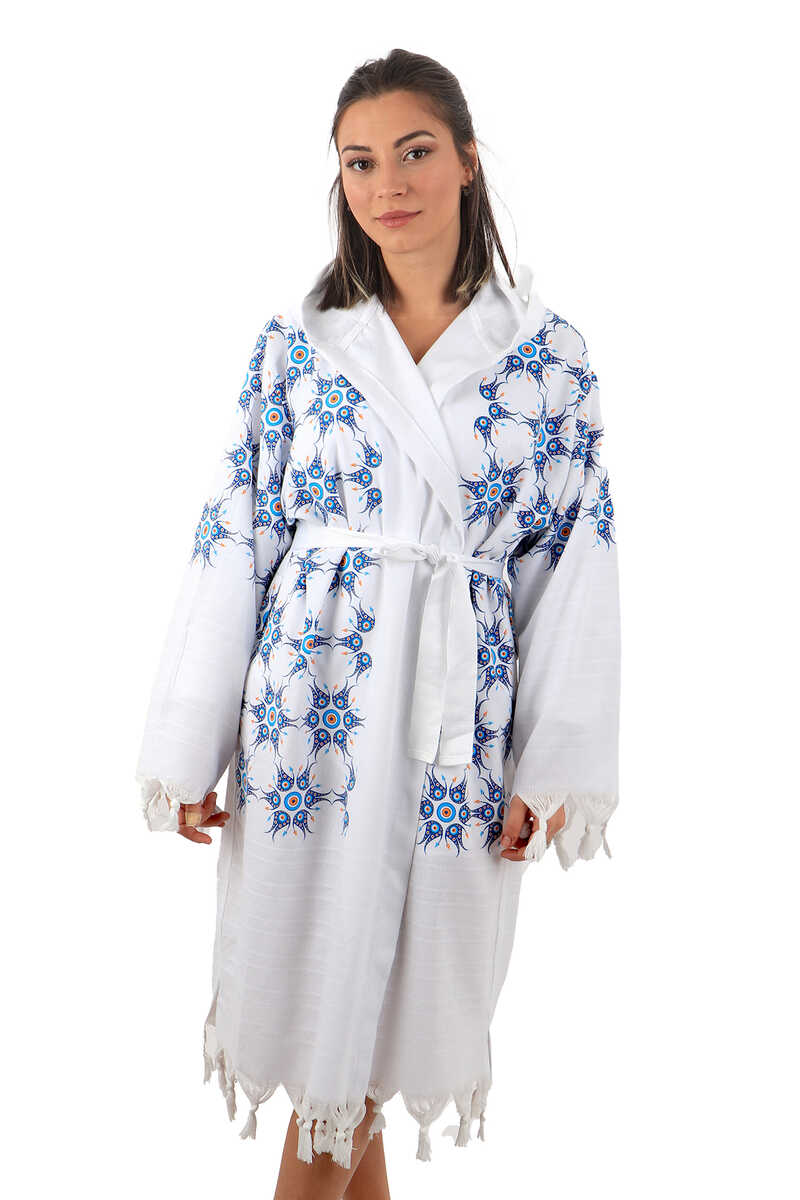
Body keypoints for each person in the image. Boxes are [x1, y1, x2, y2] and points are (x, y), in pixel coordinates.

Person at [135, 48, 621, 1200]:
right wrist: (188, 745)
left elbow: (573, 560)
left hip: (452, 723)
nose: (385, 183)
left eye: (412, 152)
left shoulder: (547, 357)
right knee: (324, 1027)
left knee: (369, 1030)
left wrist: (550, 764)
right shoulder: (300, 344)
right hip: (310, 707)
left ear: (465, 160)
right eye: (357, 162)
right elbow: (235, 533)